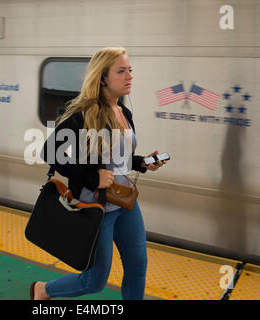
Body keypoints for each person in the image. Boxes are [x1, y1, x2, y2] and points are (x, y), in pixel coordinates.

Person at [31, 47, 166, 300]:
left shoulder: (124, 112)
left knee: (137, 268)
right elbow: (50, 152)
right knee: (94, 281)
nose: (129, 76)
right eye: (121, 71)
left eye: (130, 70)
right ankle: (43, 289)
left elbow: (119, 160)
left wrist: (143, 163)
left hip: (124, 204)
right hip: (95, 208)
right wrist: (92, 178)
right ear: (103, 77)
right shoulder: (82, 113)